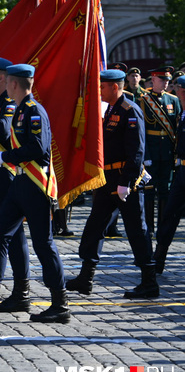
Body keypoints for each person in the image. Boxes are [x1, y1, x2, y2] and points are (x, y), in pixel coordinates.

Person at [0, 64, 70, 323]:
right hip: (20, 181)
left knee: (43, 243)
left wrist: (4, 156)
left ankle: (60, 304)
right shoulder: (19, 110)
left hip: (36, 184)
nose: (6, 86)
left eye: (8, 83)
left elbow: (38, 148)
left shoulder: (34, 111)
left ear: (14, 84)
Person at [66, 69, 158, 299]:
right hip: (107, 180)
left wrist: (125, 183)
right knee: (94, 226)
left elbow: (136, 152)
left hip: (125, 180)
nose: (99, 90)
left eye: (103, 87)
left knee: (137, 230)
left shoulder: (130, 110)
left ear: (114, 87)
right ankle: (86, 278)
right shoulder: (110, 110)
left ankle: (149, 282)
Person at [139, 66, 181, 232]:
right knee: (149, 190)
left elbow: (177, 127)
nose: (165, 83)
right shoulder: (143, 100)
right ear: (153, 80)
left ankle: (162, 226)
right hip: (151, 151)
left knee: (165, 190)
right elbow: (141, 131)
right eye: (162, 80)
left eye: (167, 80)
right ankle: (148, 226)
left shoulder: (173, 100)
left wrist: (176, 152)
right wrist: (145, 154)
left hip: (167, 152)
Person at [153, 75, 185, 273]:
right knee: (169, 214)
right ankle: (158, 259)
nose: (174, 89)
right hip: (181, 170)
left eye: (177, 87)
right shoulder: (182, 112)